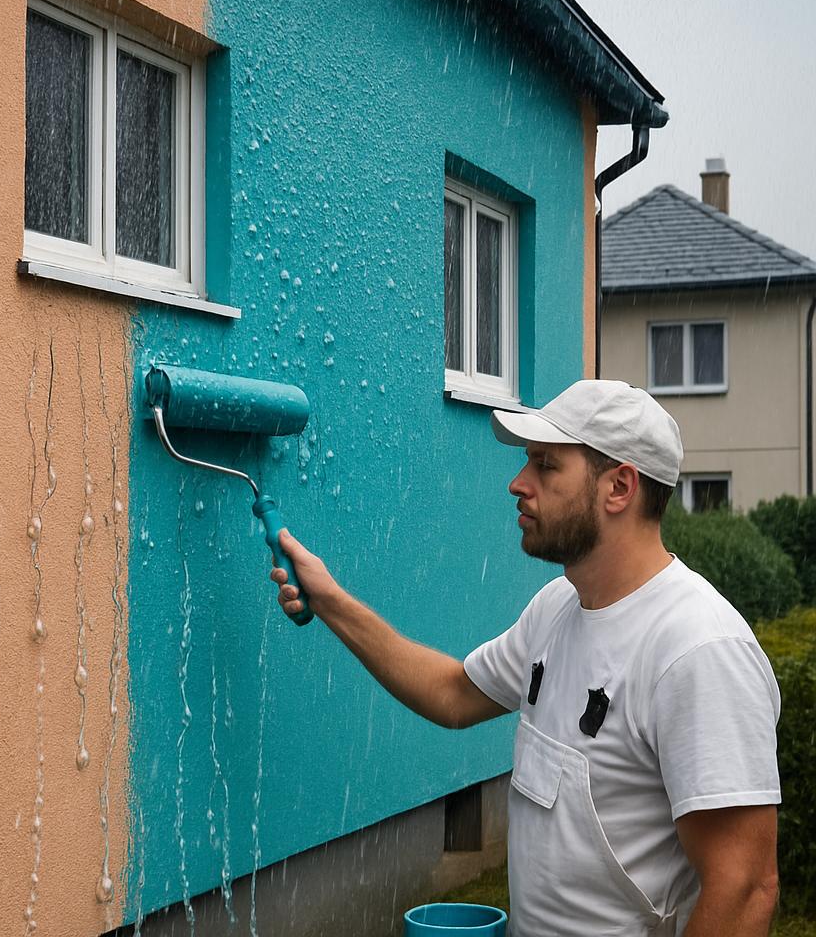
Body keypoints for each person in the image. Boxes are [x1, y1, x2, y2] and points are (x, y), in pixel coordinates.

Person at [270, 379, 780, 937]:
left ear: (619, 487)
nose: (518, 484)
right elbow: (453, 693)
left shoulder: (696, 650)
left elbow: (745, 887)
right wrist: (331, 601)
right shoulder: (557, 608)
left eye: (546, 465)